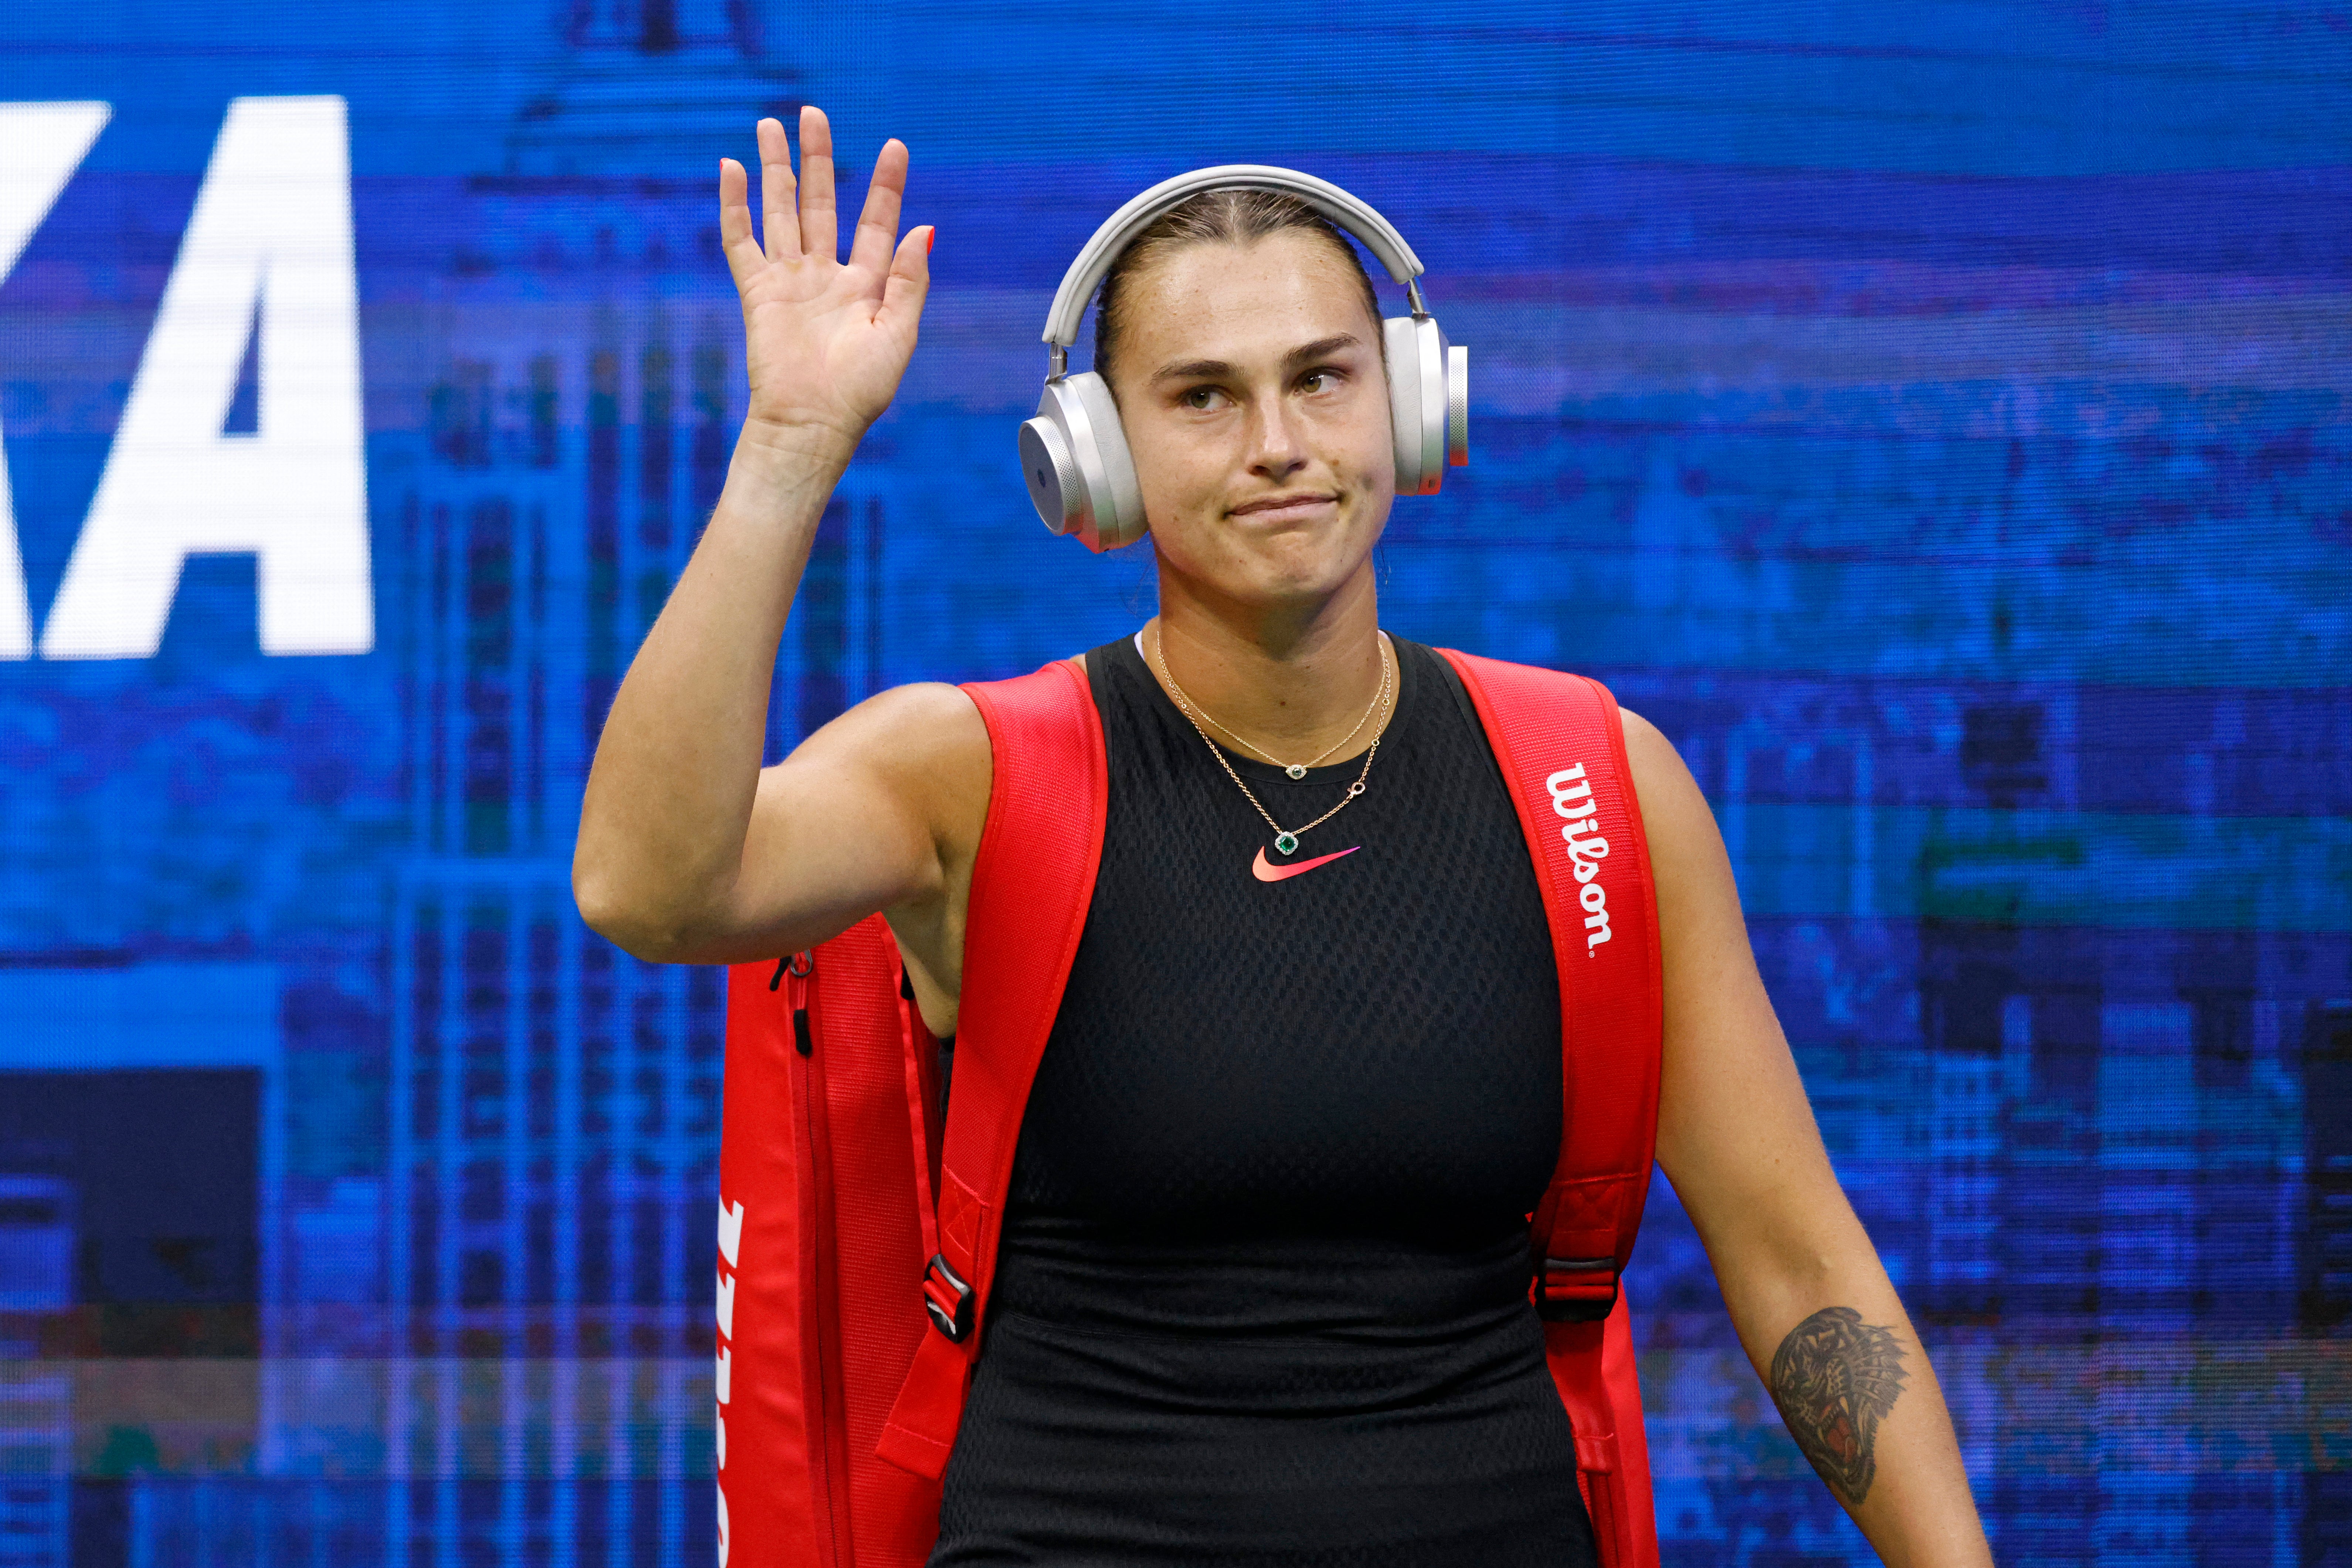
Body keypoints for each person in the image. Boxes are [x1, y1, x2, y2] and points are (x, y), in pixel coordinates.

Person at [573, 107, 1994, 1567]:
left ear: (1411, 403)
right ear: (1095, 460)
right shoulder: (979, 774)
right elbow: (649, 885)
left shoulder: (1593, 787)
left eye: (1321, 378)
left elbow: (1798, 1264)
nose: (1277, 446)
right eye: (1201, 397)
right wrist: (791, 443)